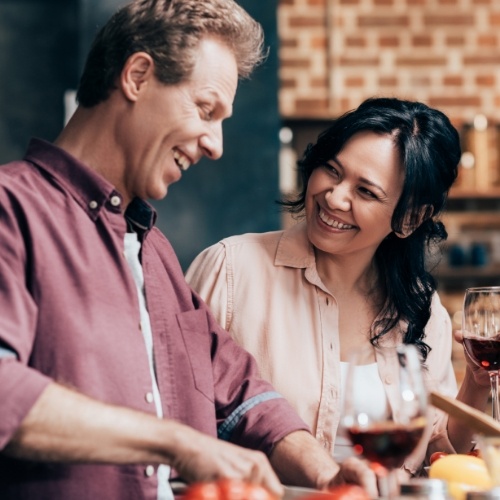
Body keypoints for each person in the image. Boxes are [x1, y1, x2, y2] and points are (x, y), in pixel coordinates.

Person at [0, 1, 379, 498]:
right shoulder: (12, 209)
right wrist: (176, 443)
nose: (216, 144)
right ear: (137, 76)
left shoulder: (152, 250)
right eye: (206, 110)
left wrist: (323, 471)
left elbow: (238, 390)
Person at [186, 97, 492, 477]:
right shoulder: (231, 270)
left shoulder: (420, 307)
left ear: (411, 218)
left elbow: (439, 453)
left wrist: (477, 386)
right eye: (332, 170)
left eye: (366, 192)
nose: (334, 197)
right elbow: (180, 415)